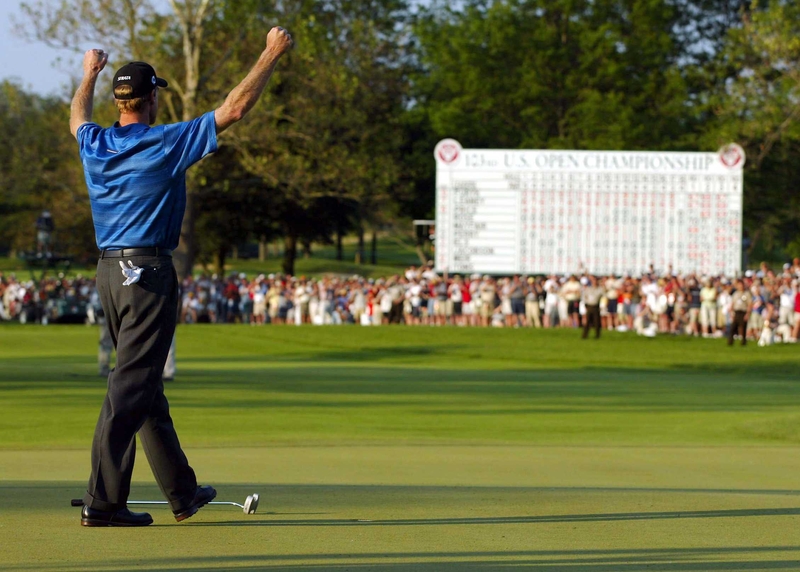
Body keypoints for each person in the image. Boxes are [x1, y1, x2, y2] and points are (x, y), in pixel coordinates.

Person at [70, 27, 294, 527]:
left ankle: (182, 491)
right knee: (129, 389)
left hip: (109, 271)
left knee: (143, 384)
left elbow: (77, 118)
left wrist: (87, 75)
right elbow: (234, 108)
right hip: (147, 273)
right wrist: (269, 54)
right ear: (151, 99)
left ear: (118, 100)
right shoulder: (165, 142)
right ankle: (103, 503)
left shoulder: (96, 144)